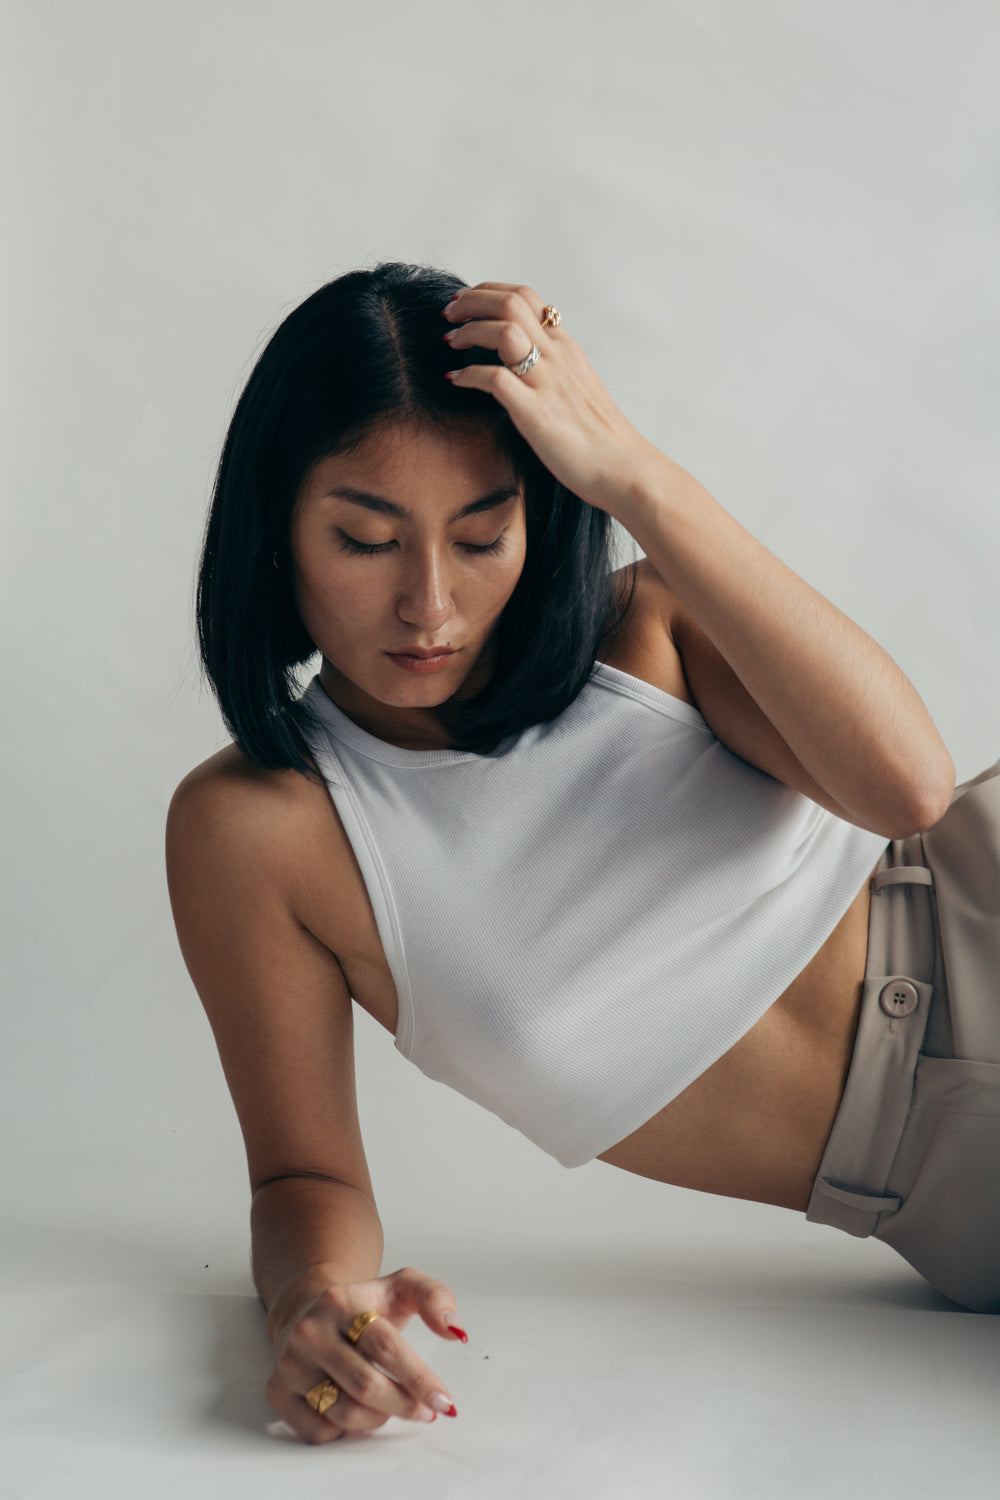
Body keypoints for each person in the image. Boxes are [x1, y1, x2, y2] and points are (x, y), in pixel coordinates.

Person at [166, 262, 999, 1448]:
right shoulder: (257, 831)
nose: (430, 604)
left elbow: (908, 789)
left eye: (483, 533)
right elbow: (305, 1181)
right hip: (943, 1194)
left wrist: (634, 475)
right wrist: (320, 1309)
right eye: (365, 540)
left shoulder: (646, 625)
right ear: (276, 532)